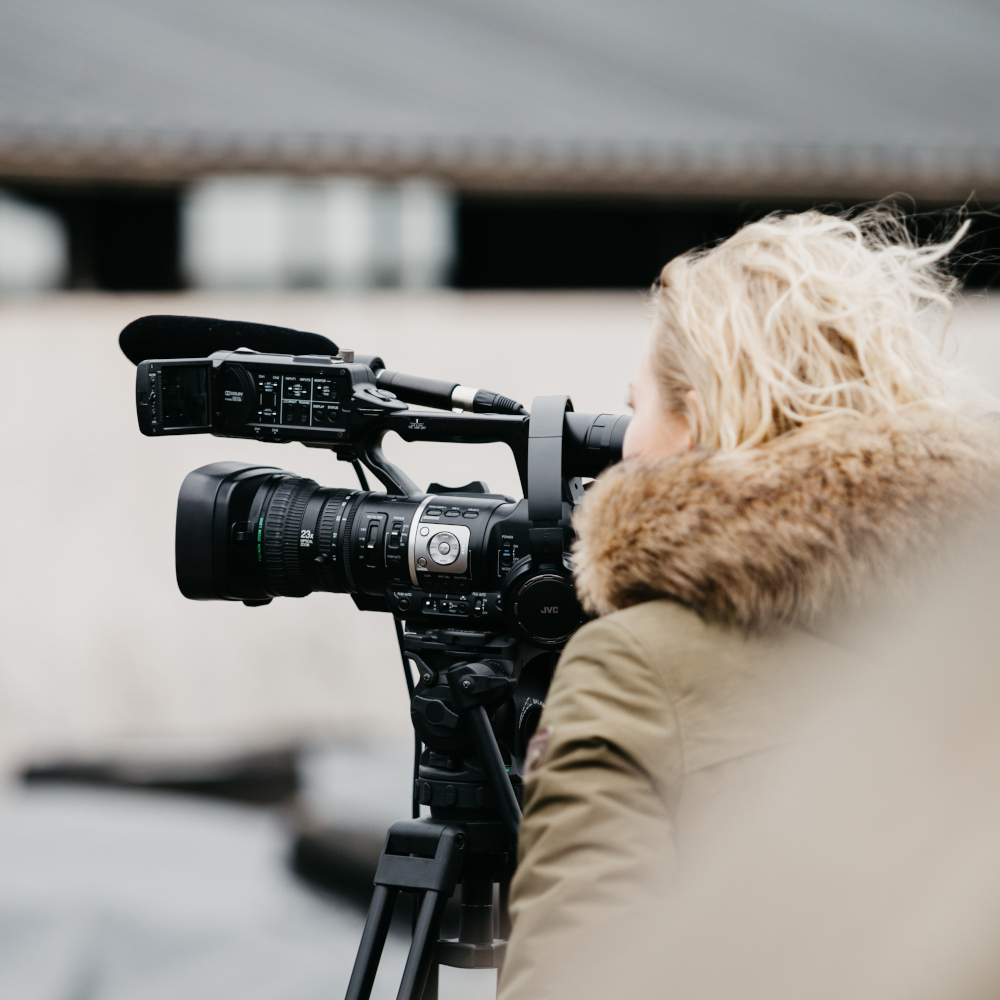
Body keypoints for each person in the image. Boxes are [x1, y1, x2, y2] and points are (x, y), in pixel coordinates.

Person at [497, 210, 1000, 999]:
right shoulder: (971, 639)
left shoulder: (633, 663)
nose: (621, 445)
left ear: (693, 420)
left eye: (637, 407)